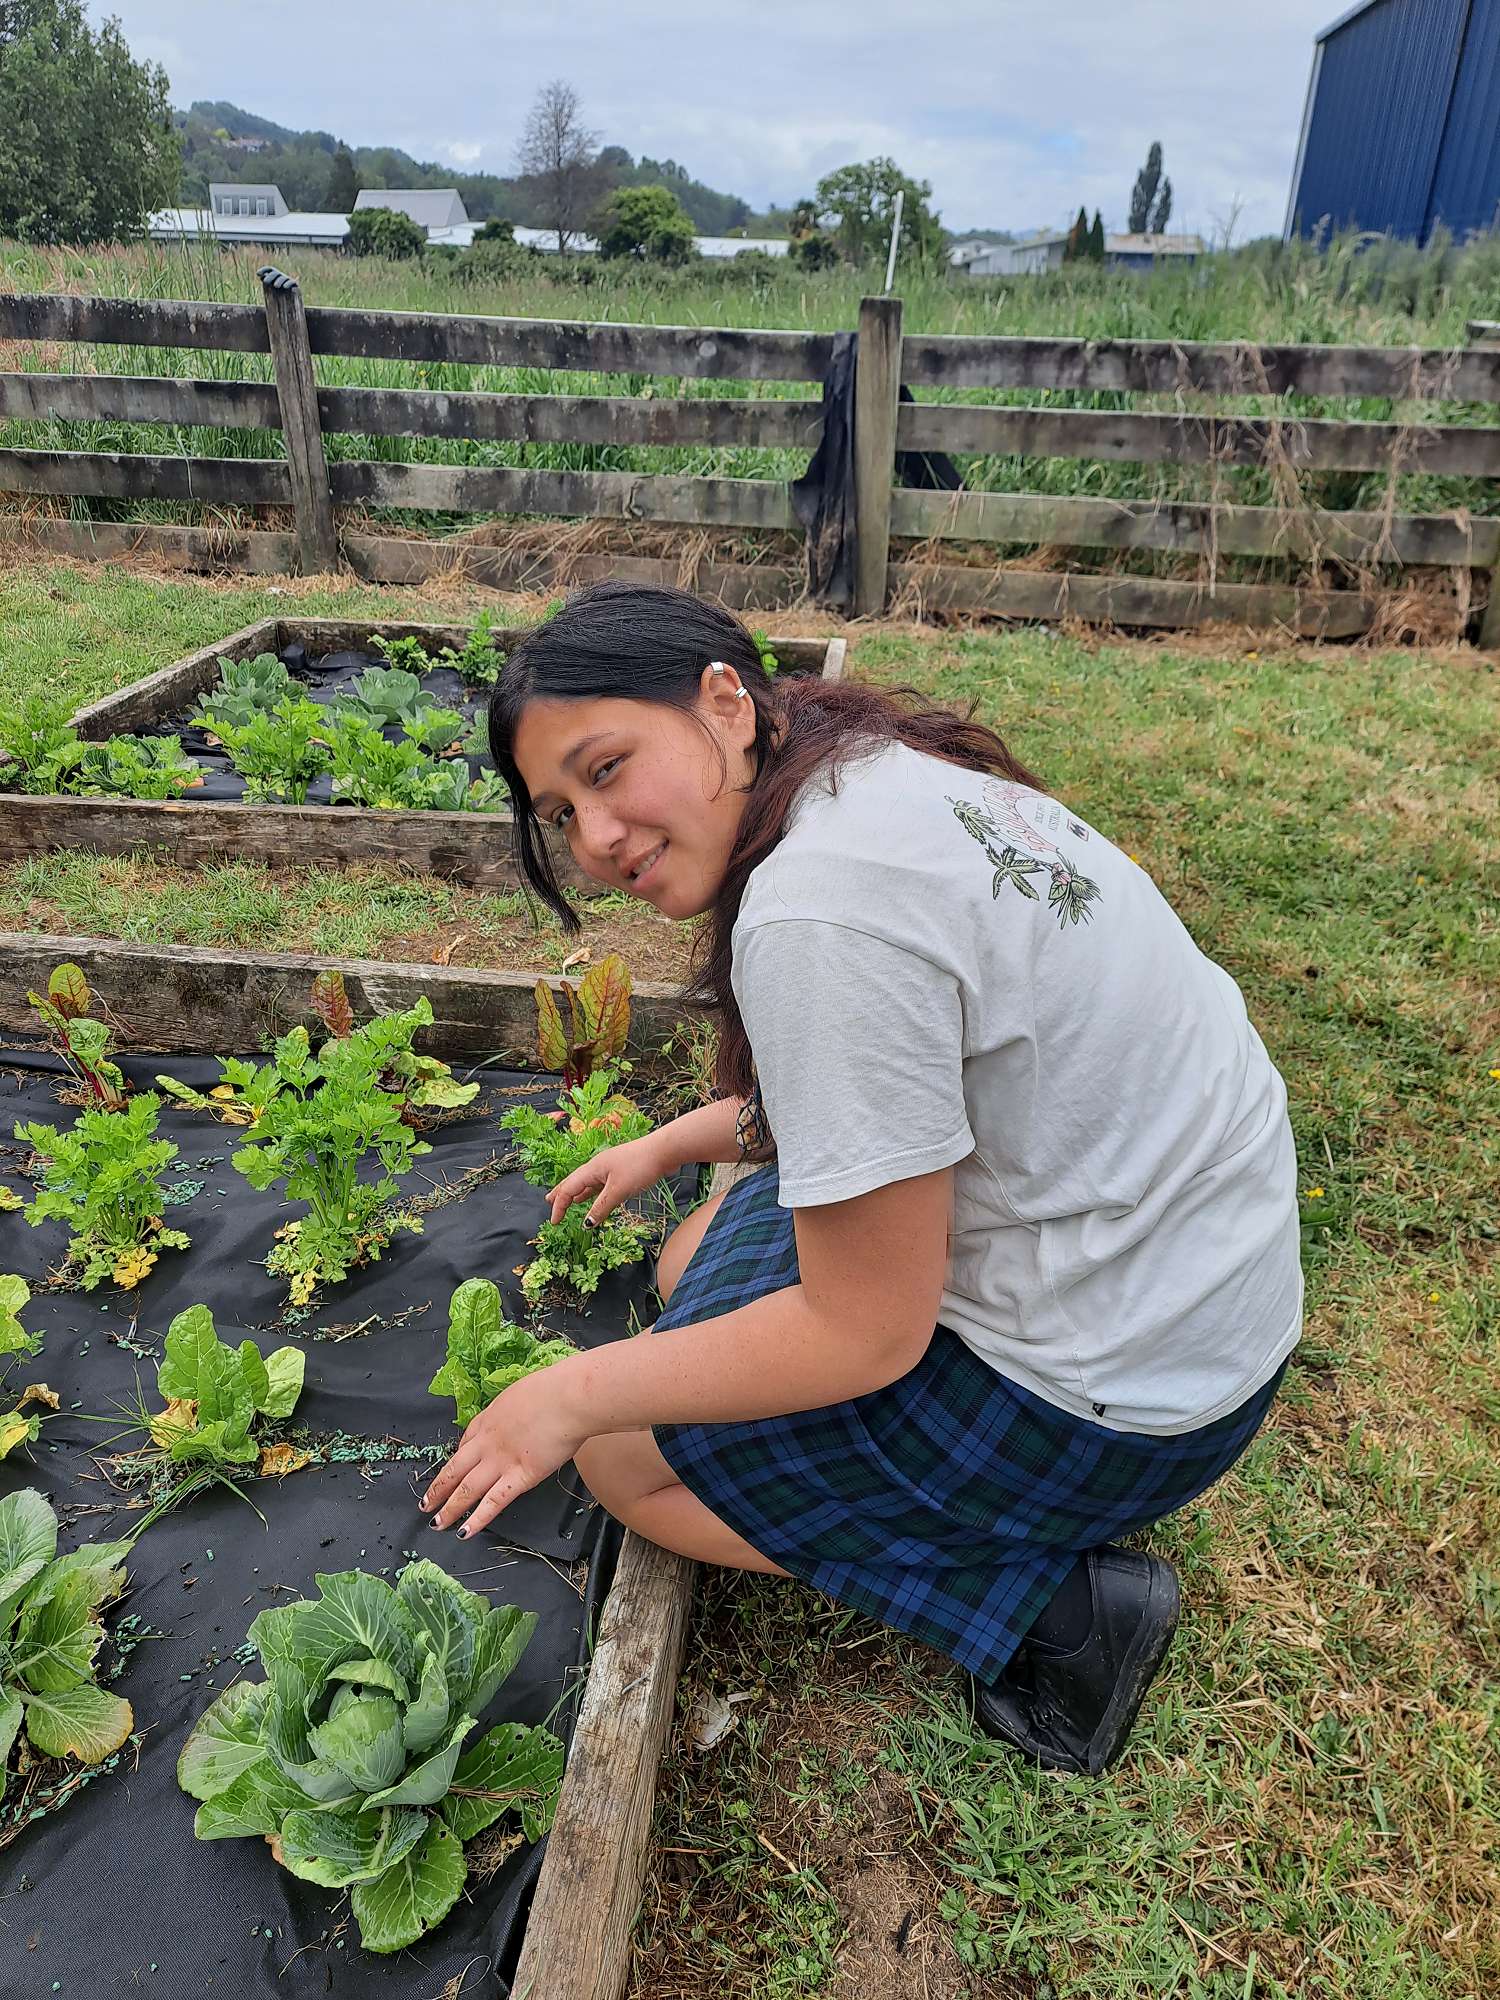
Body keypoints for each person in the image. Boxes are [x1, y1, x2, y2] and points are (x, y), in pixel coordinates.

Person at [421, 583, 1302, 1775]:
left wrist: (566, 1394)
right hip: (1191, 1287)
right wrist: (673, 1143)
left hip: (1123, 1391)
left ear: (723, 702)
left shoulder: (817, 912)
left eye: (608, 768)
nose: (595, 839)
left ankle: (1058, 1613)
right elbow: (897, 1083)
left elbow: (865, 1332)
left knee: (621, 1457)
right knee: (691, 1255)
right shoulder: (864, 772)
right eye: (562, 812)